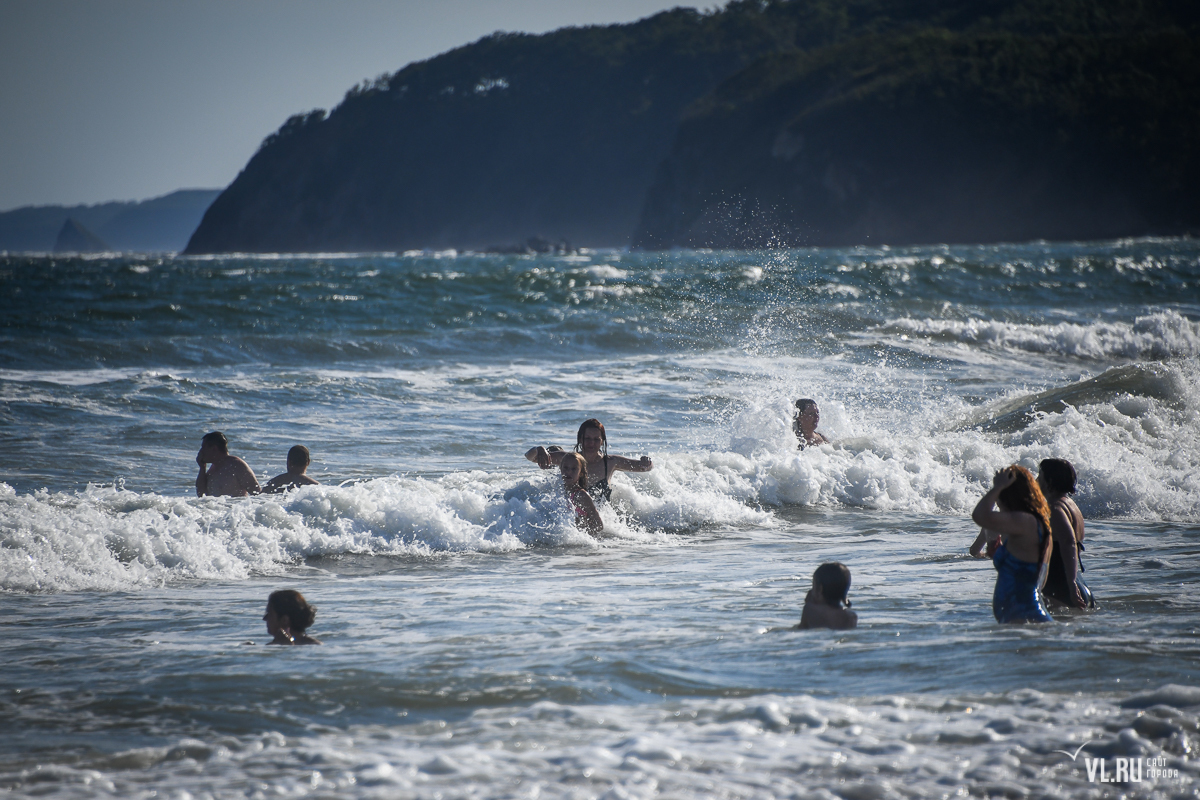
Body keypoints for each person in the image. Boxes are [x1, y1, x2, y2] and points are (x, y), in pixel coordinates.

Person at [971, 465, 1054, 624]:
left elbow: (979, 515)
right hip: (1023, 619)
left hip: (1025, 618)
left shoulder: (1026, 521)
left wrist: (998, 486)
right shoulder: (1032, 524)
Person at [525, 418, 652, 501]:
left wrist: (647, 462)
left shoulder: (611, 462)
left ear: (602, 442)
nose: (592, 443)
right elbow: (529, 456)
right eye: (588, 439)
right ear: (581, 439)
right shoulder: (568, 459)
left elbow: (644, 468)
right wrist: (539, 449)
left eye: (596, 439)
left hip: (602, 524)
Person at [1038, 458, 1095, 608]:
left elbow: (1068, 542)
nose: (1036, 480)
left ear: (1049, 481)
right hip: (1078, 584)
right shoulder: (1071, 505)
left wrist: (1070, 585)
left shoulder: (1054, 509)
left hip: (1061, 587)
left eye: (1039, 475)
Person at [195, 431, 260, 497]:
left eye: (203, 447)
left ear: (214, 449)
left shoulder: (237, 465)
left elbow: (257, 494)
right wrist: (202, 468)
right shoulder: (211, 470)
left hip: (235, 506)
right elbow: (201, 495)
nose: (201, 451)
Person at [798, 562, 858, 630]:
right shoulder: (851, 617)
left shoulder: (810, 610)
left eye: (813, 586)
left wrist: (809, 603)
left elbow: (800, 629)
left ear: (820, 589)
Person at [560, 452, 603, 535]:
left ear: (581, 473)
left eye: (574, 469)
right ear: (560, 469)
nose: (569, 471)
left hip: (581, 543)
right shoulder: (560, 491)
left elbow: (599, 525)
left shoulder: (581, 495)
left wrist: (582, 536)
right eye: (565, 467)